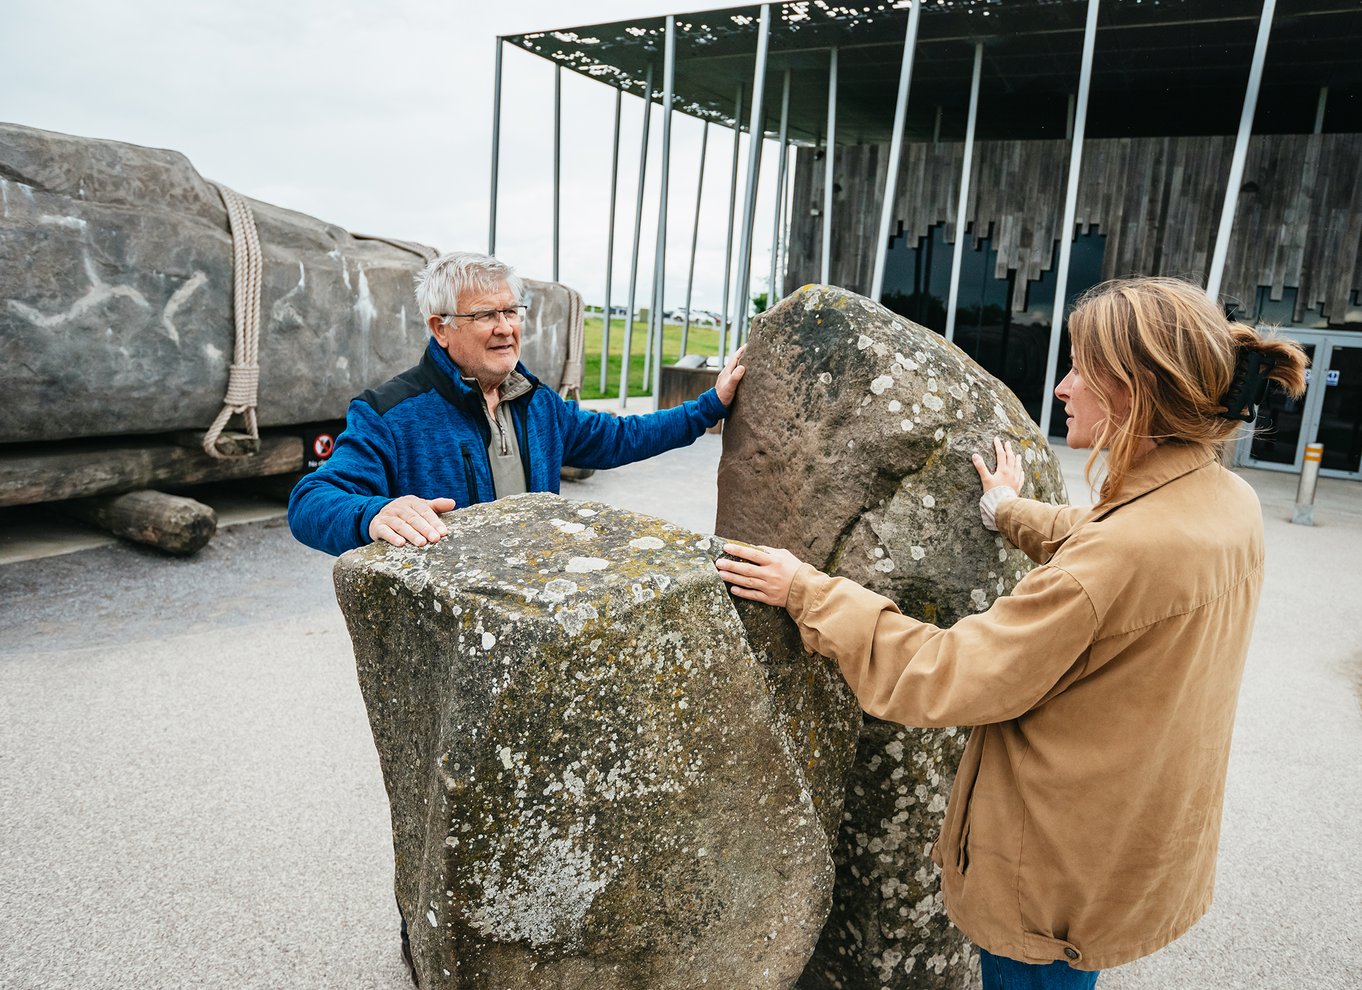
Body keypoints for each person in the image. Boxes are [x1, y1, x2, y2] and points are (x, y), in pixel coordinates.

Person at [716, 276, 1306, 988]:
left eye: (1083, 368)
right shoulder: (1225, 502)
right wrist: (1010, 512)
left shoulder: (1122, 556)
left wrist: (806, 592)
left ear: (1134, 390)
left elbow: (950, 673)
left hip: (1051, 873)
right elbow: (1113, 543)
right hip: (1122, 847)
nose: (1062, 386)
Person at [289, 250, 745, 555]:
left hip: (532, 614)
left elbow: (619, 437)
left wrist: (709, 407)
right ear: (441, 328)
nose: (506, 327)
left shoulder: (536, 400)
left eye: (510, 311)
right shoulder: (389, 414)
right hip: (450, 643)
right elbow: (309, 501)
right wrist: (373, 513)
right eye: (486, 314)